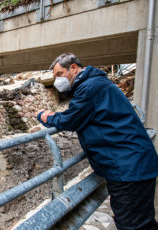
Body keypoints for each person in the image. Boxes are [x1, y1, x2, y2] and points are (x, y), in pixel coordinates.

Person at [36, 53, 158, 230]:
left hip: (128, 169)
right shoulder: (95, 84)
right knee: (142, 222)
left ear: (73, 68)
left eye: (59, 74)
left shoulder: (89, 87)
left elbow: (70, 120)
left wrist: (44, 116)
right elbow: (80, 114)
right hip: (133, 164)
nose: (57, 81)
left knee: (132, 225)